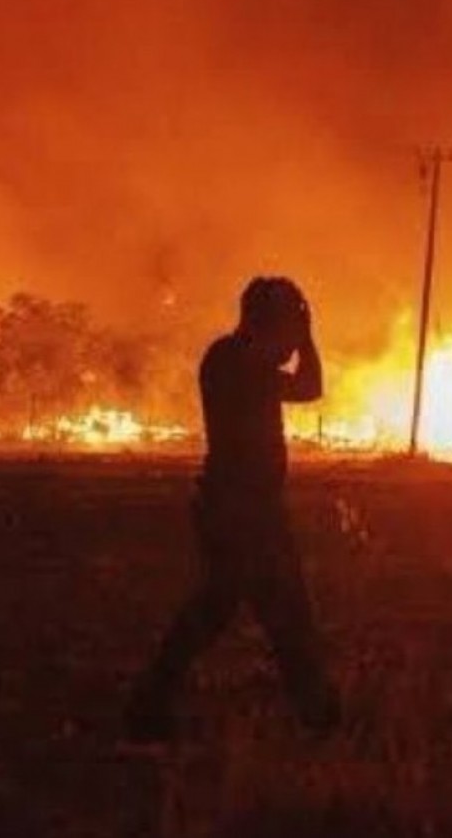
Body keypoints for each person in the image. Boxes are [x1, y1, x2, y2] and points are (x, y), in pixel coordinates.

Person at [125, 276, 340, 742]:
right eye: (285, 327)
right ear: (265, 322)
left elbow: (308, 387)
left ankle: (316, 710)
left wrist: (300, 335)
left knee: (249, 610)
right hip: (239, 510)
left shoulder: (238, 358)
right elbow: (308, 386)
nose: (289, 343)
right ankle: (316, 712)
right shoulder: (233, 360)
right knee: (266, 611)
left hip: (250, 508)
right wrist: (306, 337)